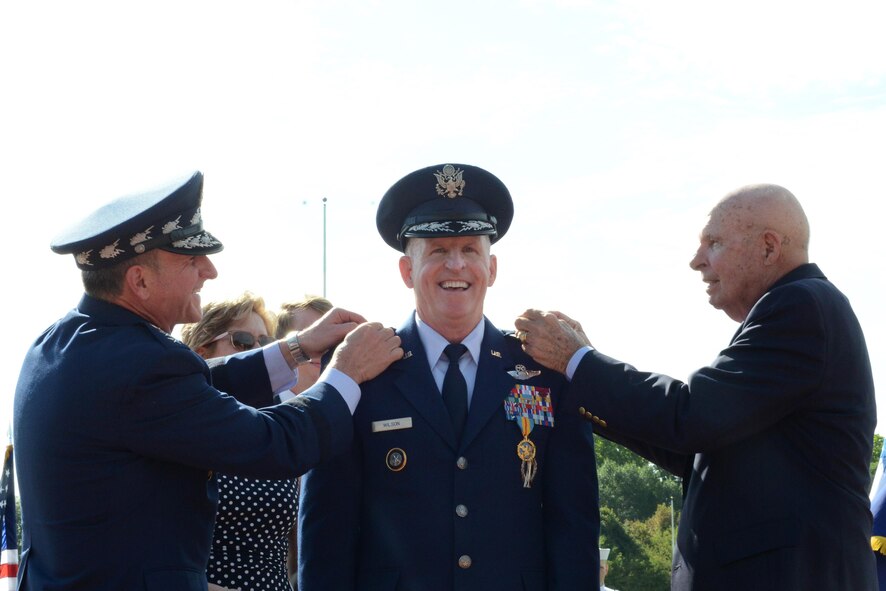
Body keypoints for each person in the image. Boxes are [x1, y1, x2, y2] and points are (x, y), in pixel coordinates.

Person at [13, 170, 402, 590]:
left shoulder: (62, 342)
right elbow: (276, 443)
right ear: (139, 281)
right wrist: (346, 371)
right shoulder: (142, 364)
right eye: (191, 259)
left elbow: (199, 385)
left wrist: (295, 348)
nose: (210, 271)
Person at [515, 184, 877, 590]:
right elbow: (695, 448)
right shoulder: (798, 311)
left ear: (770, 247)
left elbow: (690, 417)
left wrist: (579, 363)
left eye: (714, 243)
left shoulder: (799, 307)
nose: (696, 261)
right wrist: (580, 374)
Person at [298, 163, 600, 590]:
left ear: (491, 268)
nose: (455, 265)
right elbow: (327, 529)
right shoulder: (361, 369)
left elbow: (575, 524)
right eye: (437, 250)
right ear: (407, 271)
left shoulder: (545, 371)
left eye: (470, 250)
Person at [180, 292, 298, 591]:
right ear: (202, 352)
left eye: (265, 343)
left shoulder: (272, 430)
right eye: (243, 341)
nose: (256, 352)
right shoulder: (178, 434)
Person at [275, 296, 334, 399]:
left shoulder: (355, 410)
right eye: (310, 336)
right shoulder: (256, 409)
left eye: (334, 338)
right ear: (282, 344)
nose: (324, 346)